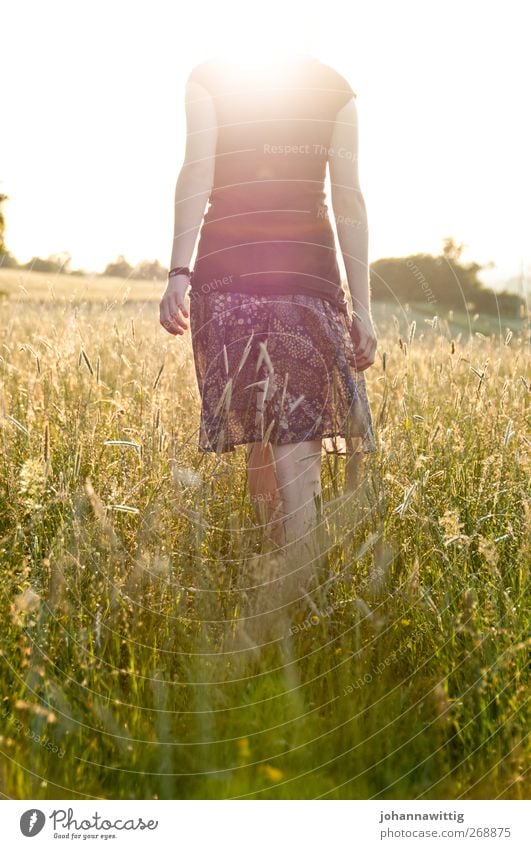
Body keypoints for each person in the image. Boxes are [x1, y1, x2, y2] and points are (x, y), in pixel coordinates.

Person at [159, 51, 378, 583]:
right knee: (292, 438)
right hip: (306, 287)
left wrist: (179, 273)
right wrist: (363, 308)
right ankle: (297, 594)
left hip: (225, 285)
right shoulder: (334, 89)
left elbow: (197, 174)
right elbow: (347, 198)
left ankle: (281, 582)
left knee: (268, 432)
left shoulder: (211, 74)